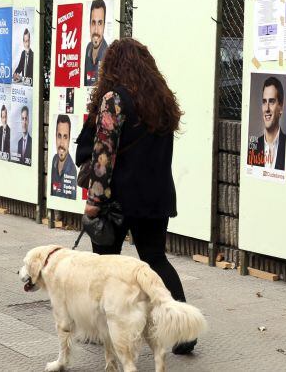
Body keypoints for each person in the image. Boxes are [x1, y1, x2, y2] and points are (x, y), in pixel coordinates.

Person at [76, 37, 196, 355]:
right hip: (155, 196)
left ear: (112, 67)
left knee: (104, 265)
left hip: (117, 200)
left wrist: (94, 200)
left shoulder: (115, 99)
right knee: (155, 260)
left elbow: (104, 155)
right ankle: (185, 331)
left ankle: (106, 331)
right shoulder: (160, 100)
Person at [251, 77, 286, 170]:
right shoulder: (252, 148)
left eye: (271, 101)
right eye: (264, 102)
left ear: (281, 107)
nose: (266, 108)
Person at [50, 115, 76, 199]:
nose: (61, 143)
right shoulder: (54, 160)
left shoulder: (72, 172)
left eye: (65, 137)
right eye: (59, 136)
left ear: (69, 140)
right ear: (55, 136)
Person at [84, 0, 108, 86]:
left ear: (104, 26)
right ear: (89, 24)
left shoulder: (108, 53)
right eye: (93, 23)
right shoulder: (88, 48)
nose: (96, 30)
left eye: (100, 23)